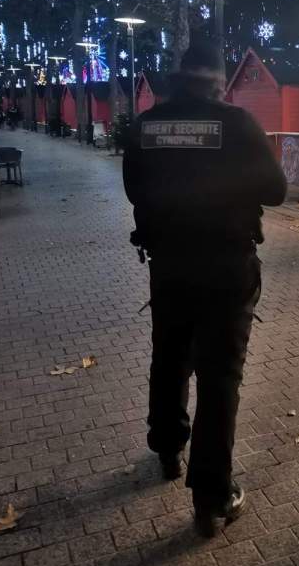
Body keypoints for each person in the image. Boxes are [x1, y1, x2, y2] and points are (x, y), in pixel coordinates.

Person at [123, 40, 287, 536]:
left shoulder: (147, 125)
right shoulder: (237, 124)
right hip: (227, 265)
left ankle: (168, 447)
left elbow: (134, 190)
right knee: (220, 376)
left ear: (179, 76)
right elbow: (276, 191)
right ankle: (212, 495)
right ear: (219, 80)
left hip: (170, 264)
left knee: (169, 354)